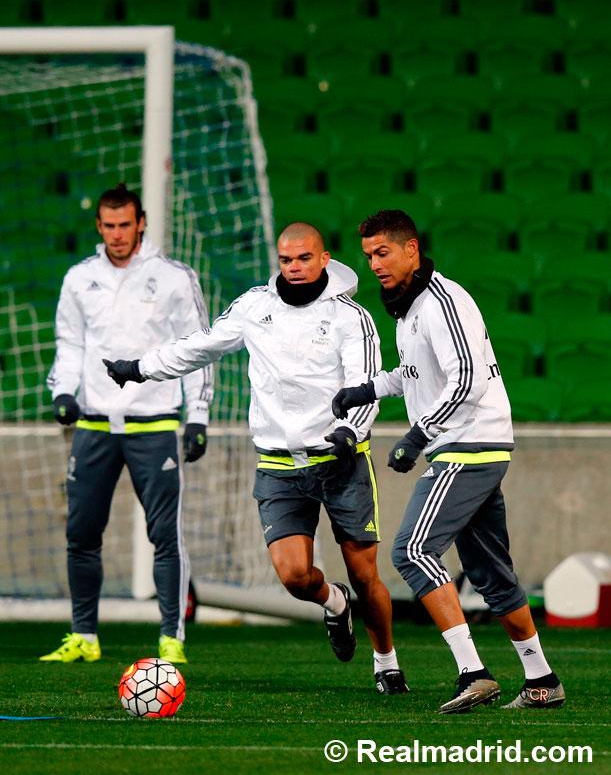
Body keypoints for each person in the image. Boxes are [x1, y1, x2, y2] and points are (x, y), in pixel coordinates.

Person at [104, 222, 408, 694]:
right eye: (286, 260)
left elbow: (363, 383)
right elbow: (199, 346)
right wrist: (140, 368)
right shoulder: (254, 306)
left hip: (341, 460)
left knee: (365, 574)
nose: (294, 267)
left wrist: (350, 431)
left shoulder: (351, 318)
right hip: (278, 464)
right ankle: (335, 603)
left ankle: (386, 662)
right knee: (294, 576)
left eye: (303, 258)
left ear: (324, 259)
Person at [332, 209, 564, 713]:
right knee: (490, 573)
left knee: (412, 551)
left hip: (467, 444)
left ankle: (473, 673)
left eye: (383, 252)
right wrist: (367, 389)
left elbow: (468, 380)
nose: (374, 264)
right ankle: (542, 680)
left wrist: (418, 435)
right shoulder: (411, 307)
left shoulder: (442, 301)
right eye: (369, 255)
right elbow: (417, 373)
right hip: (472, 445)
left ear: (411, 249)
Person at [41, 184, 213, 665]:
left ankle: (171, 639)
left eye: (125, 225)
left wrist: (197, 415)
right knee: (81, 534)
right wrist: (62, 391)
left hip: (153, 426)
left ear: (141, 224)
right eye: (109, 226)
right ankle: (84, 637)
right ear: (99, 227)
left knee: (165, 537)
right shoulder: (80, 278)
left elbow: (197, 349)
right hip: (94, 426)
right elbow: (70, 343)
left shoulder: (174, 277)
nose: (117, 234)